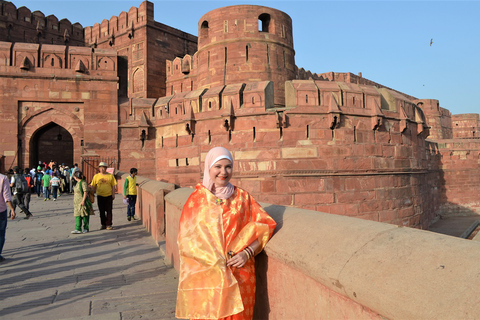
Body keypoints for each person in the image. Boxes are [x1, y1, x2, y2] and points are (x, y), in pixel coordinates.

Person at [175, 147, 277, 320]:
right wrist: (213, 260)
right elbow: (186, 242)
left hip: (240, 275)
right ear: (209, 168)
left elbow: (264, 225)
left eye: (228, 166)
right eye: (218, 166)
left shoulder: (242, 198)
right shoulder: (196, 200)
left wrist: (247, 252)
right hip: (207, 279)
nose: (223, 172)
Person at [90, 162, 117, 230]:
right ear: (99, 168)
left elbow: (113, 186)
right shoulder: (96, 176)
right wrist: (91, 193)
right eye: (101, 168)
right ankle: (103, 224)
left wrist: (113, 194)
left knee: (109, 211)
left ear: (106, 168)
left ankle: (109, 224)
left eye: (104, 168)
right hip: (100, 195)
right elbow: (93, 186)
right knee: (101, 211)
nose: (102, 169)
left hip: (108, 195)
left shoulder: (110, 176)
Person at [0, 173, 15, 262]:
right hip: (1, 210)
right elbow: (7, 197)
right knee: (1, 233)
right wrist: (12, 209)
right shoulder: (3, 178)